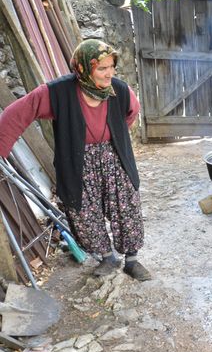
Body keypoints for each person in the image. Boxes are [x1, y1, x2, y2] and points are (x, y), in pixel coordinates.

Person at [0, 39, 152, 281]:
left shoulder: (120, 90)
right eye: (102, 68)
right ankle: (107, 257)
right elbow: (16, 114)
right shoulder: (58, 92)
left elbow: (131, 113)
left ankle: (132, 260)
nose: (109, 73)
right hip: (77, 160)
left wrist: (114, 137)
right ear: (82, 67)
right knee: (83, 211)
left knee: (127, 207)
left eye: (112, 66)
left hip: (115, 156)